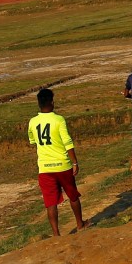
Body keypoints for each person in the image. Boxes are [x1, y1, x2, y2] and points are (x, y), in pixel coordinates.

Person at [27, 88, 88, 235]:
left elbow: (32, 141)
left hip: (45, 168)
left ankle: (56, 234)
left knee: (50, 202)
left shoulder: (33, 122)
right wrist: (75, 162)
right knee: (72, 195)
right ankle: (80, 224)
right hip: (62, 165)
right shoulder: (59, 120)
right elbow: (68, 142)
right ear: (52, 102)